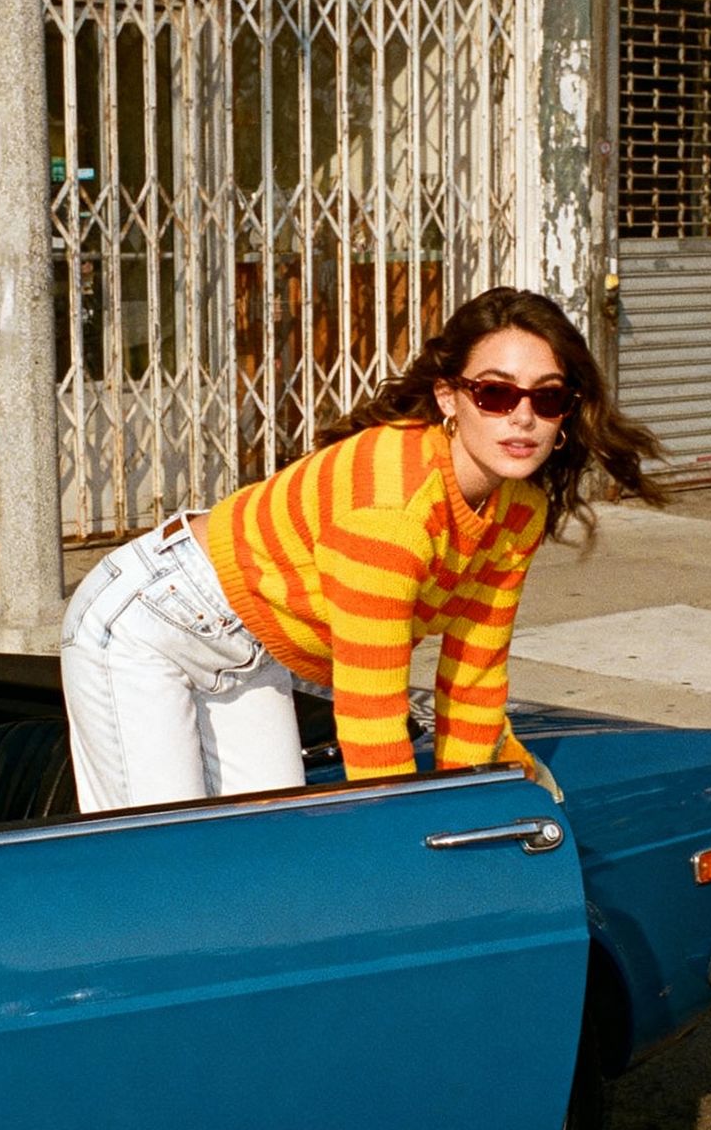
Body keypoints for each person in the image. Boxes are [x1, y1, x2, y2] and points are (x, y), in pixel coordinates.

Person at [60, 287, 666, 812]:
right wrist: (409, 840)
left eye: (547, 397)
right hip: (151, 620)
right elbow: (372, 714)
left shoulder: (517, 514)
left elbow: (474, 681)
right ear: (449, 398)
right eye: (495, 394)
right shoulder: (393, 509)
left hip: (254, 647)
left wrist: (470, 808)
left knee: (270, 849)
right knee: (160, 856)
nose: (523, 417)